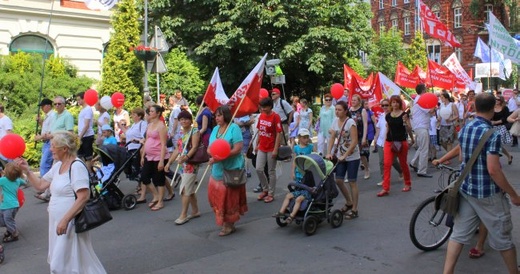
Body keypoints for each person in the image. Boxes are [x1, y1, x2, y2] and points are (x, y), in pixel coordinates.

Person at [431, 93, 520, 274]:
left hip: (466, 189)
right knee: (503, 239)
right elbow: (493, 170)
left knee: (458, 235)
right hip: (488, 193)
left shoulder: (466, 127)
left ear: (475, 107)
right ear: (492, 108)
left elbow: (462, 154)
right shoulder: (492, 134)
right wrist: (513, 194)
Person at [17, 131, 106, 273]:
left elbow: (83, 197)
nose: (50, 149)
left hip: (70, 222)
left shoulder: (76, 166)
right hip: (57, 222)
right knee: (77, 261)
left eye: (53, 146)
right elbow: (40, 185)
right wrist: (27, 171)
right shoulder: (58, 166)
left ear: (64, 148)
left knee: (59, 264)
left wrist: (65, 220)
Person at [207, 105, 247, 236]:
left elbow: (237, 148)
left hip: (231, 169)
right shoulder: (215, 129)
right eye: (215, 116)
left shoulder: (234, 128)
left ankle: (229, 224)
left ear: (226, 115)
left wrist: (222, 156)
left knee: (229, 199)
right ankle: (224, 221)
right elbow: (209, 147)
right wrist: (213, 155)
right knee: (215, 198)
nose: (216, 118)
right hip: (217, 170)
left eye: (219, 115)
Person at [35, 96, 74, 202]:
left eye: (59, 104)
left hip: (62, 147)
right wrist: (48, 135)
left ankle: (48, 192)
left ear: (64, 105)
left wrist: (52, 135)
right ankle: (48, 192)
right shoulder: (55, 115)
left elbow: (70, 133)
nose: (56, 106)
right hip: (54, 146)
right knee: (55, 169)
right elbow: (51, 129)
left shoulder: (67, 116)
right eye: (55, 104)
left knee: (55, 169)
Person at [165, 110, 201, 225]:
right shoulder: (180, 133)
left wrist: (186, 157)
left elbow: (194, 147)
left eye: (186, 119)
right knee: (189, 189)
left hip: (191, 164)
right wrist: (169, 162)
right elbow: (177, 149)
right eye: (181, 119)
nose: (183, 121)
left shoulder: (194, 131)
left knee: (184, 189)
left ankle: (183, 214)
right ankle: (195, 211)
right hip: (182, 165)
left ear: (191, 120)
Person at [326, 101, 360, 219]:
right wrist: (329, 152)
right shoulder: (335, 121)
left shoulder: (350, 122)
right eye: (336, 109)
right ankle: (349, 202)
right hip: (340, 156)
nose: (337, 111)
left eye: (339, 110)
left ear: (346, 111)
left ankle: (355, 209)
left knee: (352, 182)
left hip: (352, 156)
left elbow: (355, 141)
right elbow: (332, 138)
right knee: (339, 180)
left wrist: (345, 155)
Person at [272, 128, 314, 224]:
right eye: (304, 137)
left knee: (299, 199)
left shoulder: (311, 147)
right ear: (299, 138)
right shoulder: (296, 148)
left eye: (307, 137)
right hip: (299, 176)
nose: (306, 139)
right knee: (288, 195)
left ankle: (291, 216)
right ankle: (281, 212)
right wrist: (293, 172)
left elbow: (315, 157)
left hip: (307, 182)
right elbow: (295, 160)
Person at [377, 95, 414, 197]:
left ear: (400, 103)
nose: (395, 104)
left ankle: (407, 183)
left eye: (397, 102)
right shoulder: (388, 116)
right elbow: (387, 129)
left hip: (401, 142)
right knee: (387, 164)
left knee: (403, 164)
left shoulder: (404, 115)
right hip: (390, 142)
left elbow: (410, 129)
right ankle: (385, 188)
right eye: (393, 102)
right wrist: (384, 143)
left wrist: (406, 123)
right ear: (391, 104)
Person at [137, 105, 170, 211]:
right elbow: (146, 141)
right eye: (149, 111)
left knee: (159, 179)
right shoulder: (149, 125)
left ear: (158, 113)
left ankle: (160, 202)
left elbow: (163, 144)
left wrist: (161, 161)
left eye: (152, 111)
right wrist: (143, 156)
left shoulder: (161, 126)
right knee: (144, 177)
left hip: (158, 156)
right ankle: (155, 195)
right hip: (149, 156)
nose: (149, 113)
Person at [255, 97, 282, 203]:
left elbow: (278, 133)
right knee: (259, 169)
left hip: (271, 147)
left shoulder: (275, 117)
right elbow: (259, 131)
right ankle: (265, 189)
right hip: (262, 146)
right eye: (262, 107)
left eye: (265, 107)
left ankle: (271, 193)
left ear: (270, 106)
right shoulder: (261, 115)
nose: (263, 109)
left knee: (271, 171)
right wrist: (257, 144)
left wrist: (275, 149)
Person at [373, 99, 402, 186]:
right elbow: (378, 128)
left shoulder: (393, 116)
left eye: (386, 105)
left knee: (392, 161)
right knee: (382, 162)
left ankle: (401, 171)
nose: (385, 107)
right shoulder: (381, 116)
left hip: (390, 141)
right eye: (383, 105)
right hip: (380, 142)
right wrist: (375, 138)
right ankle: (384, 179)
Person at [409, 84, 433, 178]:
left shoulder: (418, 99)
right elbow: (430, 111)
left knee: (422, 147)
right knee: (424, 149)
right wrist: (434, 106)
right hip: (421, 126)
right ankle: (422, 170)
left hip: (420, 126)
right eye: (426, 90)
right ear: (423, 90)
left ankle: (414, 162)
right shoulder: (421, 100)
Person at [0, 162, 26, 242]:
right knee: (8, 219)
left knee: (7, 220)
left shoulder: (3, 180)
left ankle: (14, 233)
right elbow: (25, 182)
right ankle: (10, 229)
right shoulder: (17, 180)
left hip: (7, 205)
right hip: (14, 205)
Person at [350, 95, 370, 179]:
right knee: (350, 155)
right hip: (351, 136)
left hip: (361, 134)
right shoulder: (349, 110)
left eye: (355, 100)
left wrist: (364, 137)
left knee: (362, 155)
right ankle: (350, 173)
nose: (353, 101)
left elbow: (365, 124)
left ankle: (366, 169)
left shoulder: (363, 110)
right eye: (352, 100)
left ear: (359, 101)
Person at [34, 98, 55, 179]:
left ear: (48, 106)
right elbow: (45, 128)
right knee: (46, 164)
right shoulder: (47, 116)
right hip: (46, 143)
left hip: (49, 142)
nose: (42, 108)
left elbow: (50, 132)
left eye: (43, 106)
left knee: (45, 164)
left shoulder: (52, 116)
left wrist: (39, 137)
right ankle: (46, 185)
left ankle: (44, 185)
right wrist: (40, 122)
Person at [76, 92, 95, 171]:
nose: (78, 101)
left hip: (87, 136)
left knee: (88, 157)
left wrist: (80, 137)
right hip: (82, 135)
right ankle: (86, 171)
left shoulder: (88, 109)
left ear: (84, 99)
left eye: (79, 99)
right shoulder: (82, 110)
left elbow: (86, 125)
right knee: (80, 155)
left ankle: (90, 174)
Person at [492, 96, 513, 165]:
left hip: (501, 127)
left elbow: (506, 118)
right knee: (497, 144)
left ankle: (496, 158)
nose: (496, 101)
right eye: (495, 99)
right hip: (493, 127)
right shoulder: (492, 108)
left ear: (501, 100)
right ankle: (508, 156)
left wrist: (496, 122)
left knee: (498, 143)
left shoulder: (505, 108)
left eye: (498, 99)